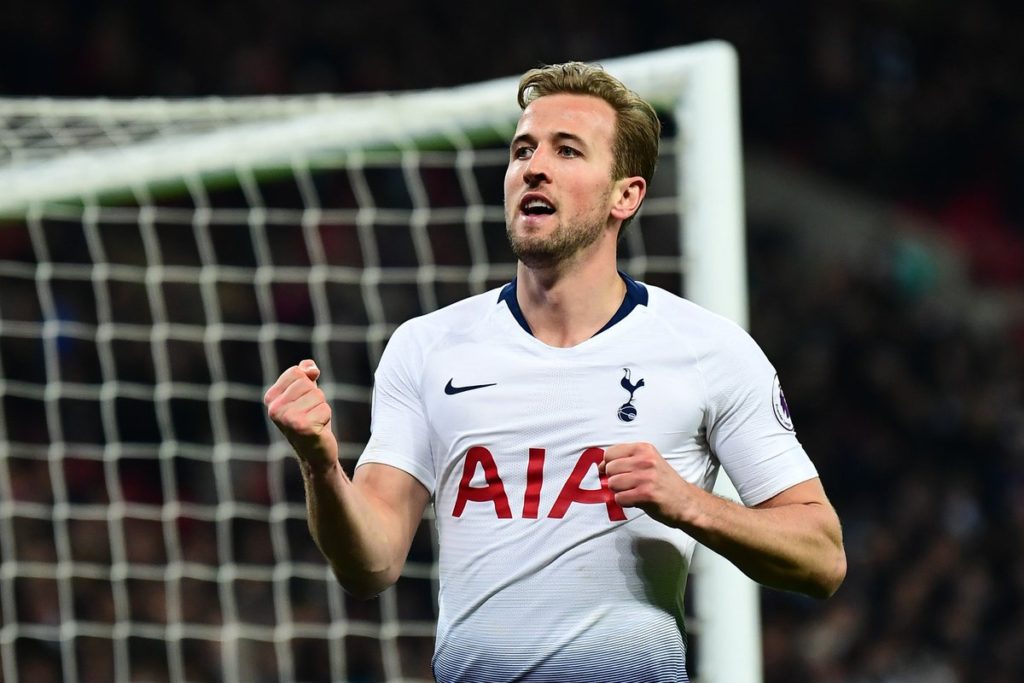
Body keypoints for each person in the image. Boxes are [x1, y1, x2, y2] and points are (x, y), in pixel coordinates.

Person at [264, 61, 846, 682]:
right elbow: (371, 566)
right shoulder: (427, 346)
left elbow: (822, 557)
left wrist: (689, 503)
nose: (532, 166)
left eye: (567, 150)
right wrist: (321, 467)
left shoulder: (709, 350)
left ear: (626, 194)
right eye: (523, 149)